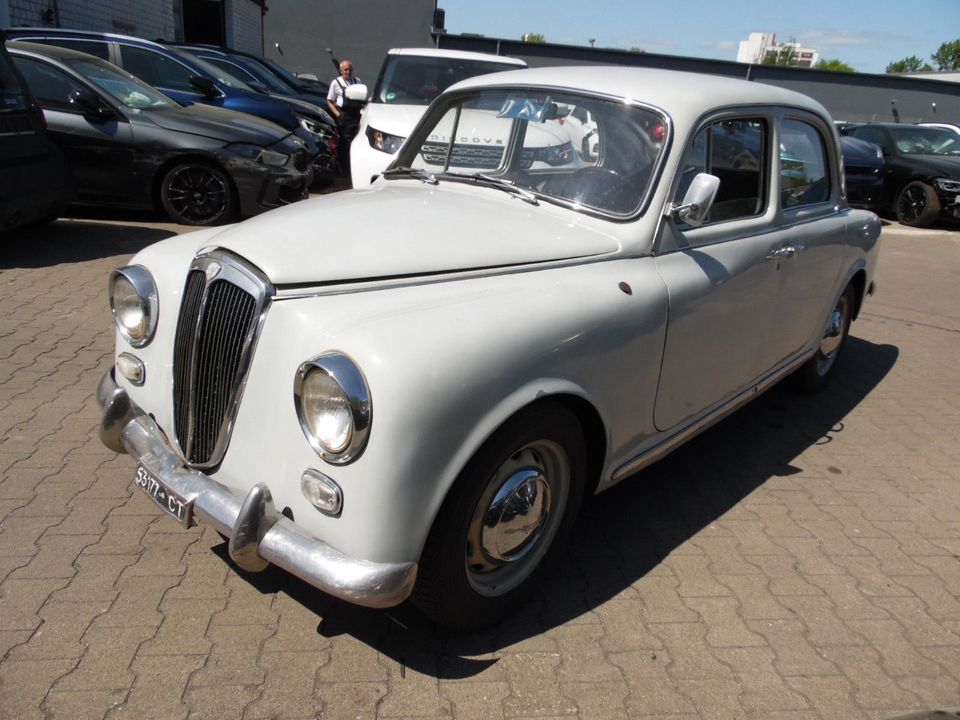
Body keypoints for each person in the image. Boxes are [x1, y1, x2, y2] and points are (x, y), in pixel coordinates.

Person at [327, 60, 362, 181]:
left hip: (356, 118)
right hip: (344, 118)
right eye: (345, 69)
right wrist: (337, 114)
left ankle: (354, 169)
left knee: (355, 144)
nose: (348, 72)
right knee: (345, 145)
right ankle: (345, 172)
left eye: (350, 69)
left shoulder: (357, 82)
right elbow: (329, 101)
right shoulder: (336, 83)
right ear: (341, 70)